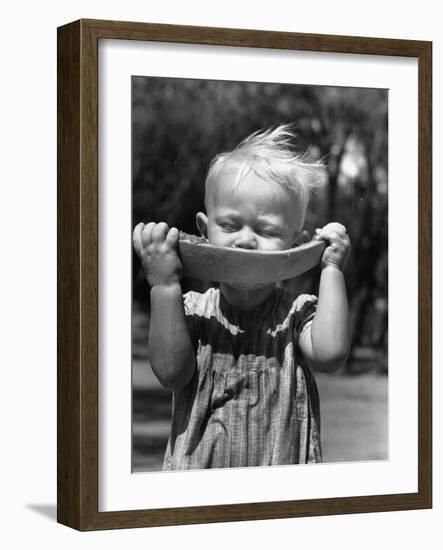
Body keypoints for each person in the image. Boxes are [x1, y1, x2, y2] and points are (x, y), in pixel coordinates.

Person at [133, 125, 351, 470]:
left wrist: (332, 270)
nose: (246, 240)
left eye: (266, 231)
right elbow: (171, 373)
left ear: (296, 245)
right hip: (198, 492)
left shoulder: (296, 316)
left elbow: (330, 354)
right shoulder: (190, 310)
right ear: (205, 233)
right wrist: (163, 286)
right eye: (231, 226)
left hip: (281, 494)